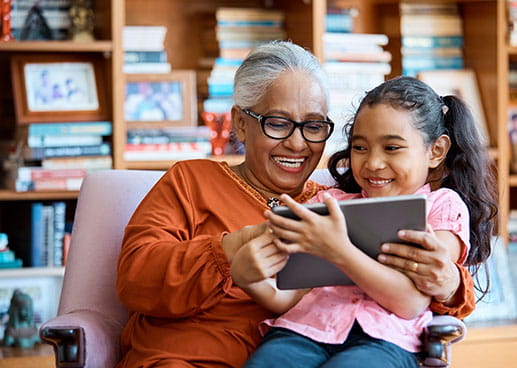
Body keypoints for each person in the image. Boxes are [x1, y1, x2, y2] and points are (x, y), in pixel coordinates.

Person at [115, 42, 477, 368]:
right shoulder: (190, 181)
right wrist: (229, 251)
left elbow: (427, 287)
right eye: (279, 123)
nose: (298, 144)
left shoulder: (334, 205)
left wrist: (450, 283)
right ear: (240, 124)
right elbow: (135, 279)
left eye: (314, 126)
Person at [240, 76, 497, 368]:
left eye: (391, 148)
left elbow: (410, 302)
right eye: (360, 148)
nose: (373, 163)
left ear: (436, 151)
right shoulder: (328, 204)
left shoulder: (442, 206)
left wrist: (340, 251)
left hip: (387, 341)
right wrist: (248, 277)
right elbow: (286, 298)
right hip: (304, 331)